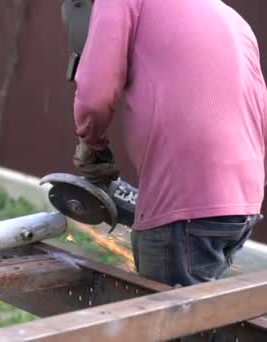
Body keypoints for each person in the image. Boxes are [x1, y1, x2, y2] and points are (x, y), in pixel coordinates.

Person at [71, 0, 266, 287]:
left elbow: (95, 95)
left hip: (184, 206)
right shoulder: (230, 17)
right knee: (202, 321)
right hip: (242, 204)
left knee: (166, 326)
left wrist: (92, 145)